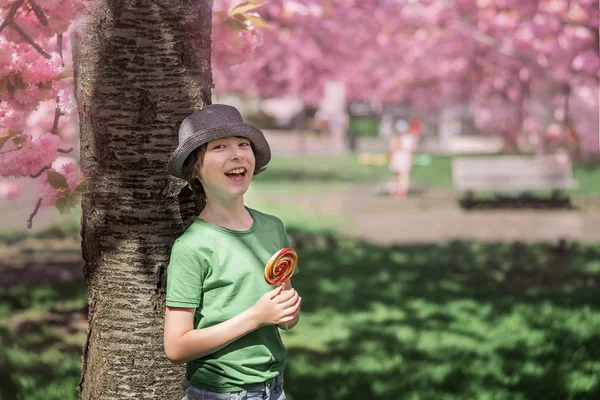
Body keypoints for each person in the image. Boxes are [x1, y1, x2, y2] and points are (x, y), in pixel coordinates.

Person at [164, 104, 301, 400]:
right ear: (195, 169)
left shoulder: (272, 228)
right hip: (219, 394)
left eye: (243, 145)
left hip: (274, 389)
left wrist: (287, 310)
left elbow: (287, 318)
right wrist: (255, 317)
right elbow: (175, 347)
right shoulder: (192, 247)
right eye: (219, 147)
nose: (237, 153)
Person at [388, 119, 415, 198]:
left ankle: (402, 190)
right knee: (395, 174)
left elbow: (411, 149)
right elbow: (392, 149)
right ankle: (395, 189)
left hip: (404, 159)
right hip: (396, 158)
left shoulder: (408, 138)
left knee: (404, 175)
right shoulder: (395, 138)